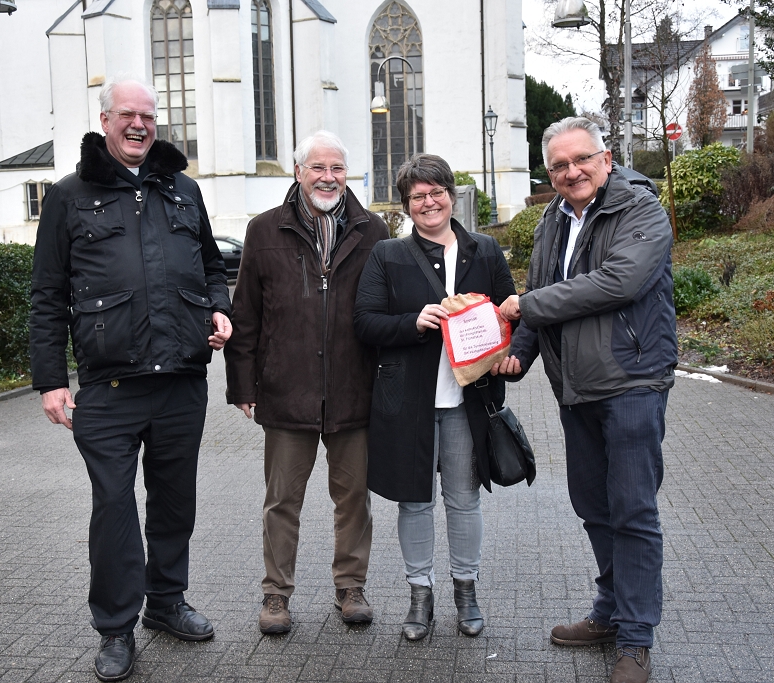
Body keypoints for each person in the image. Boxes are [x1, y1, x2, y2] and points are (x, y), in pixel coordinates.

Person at [30, 78, 232, 682]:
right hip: (108, 389)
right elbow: (47, 295)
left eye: (148, 115)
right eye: (127, 115)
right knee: (114, 510)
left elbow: (212, 265)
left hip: (180, 382)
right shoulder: (69, 195)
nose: (139, 124)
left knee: (174, 503)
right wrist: (50, 380)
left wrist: (219, 309)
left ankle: (166, 604)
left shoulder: (183, 189)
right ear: (105, 119)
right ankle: (116, 627)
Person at [496, 117, 677, 683]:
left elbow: (617, 283)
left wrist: (527, 309)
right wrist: (520, 353)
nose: (571, 172)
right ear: (548, 173)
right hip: (574, 387)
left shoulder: (640, 209)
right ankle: (609, 611)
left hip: (630, 380)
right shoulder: (554, 218)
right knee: (593, 506)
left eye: (581, 160)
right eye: (558, 166)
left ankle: (636, 637)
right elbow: (541, 287)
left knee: (633, 510)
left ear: (606, 157)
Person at [224, 130, 389, 635]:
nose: (328, 177)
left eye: (337, 168)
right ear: (298, 173)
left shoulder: (373, 230)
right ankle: (276, 595)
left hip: (354, 390)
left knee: (354, 498)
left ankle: (350, 586)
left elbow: (385, 312)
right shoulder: (263, 230)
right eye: (318, 168)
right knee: (282, 501)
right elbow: (245, 314)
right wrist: (242, 386)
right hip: (286, 389)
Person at [354, 154, 518, 641]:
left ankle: (466, 590)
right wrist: (411, 322)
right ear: (407, 206)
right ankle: (419, 594)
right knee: (415, 502)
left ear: (450, 194)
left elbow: (511, 314)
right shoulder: (388, 255)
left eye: (437, 192)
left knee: (465, 501)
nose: (429, 202)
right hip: (409, 401)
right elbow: (363, 322)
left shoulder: (485, 251)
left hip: (469, 401)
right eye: (418, 196)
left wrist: (512, 354)